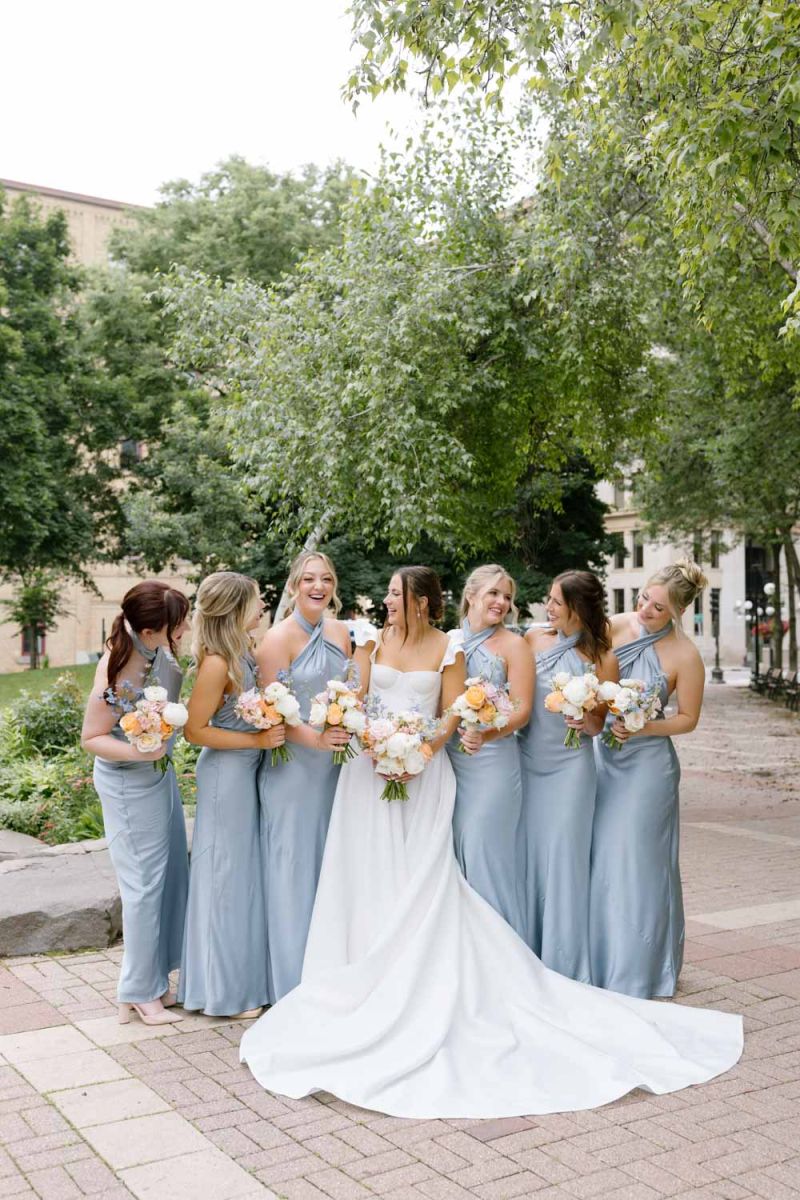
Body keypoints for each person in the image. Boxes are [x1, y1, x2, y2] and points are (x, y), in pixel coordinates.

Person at [240, 565, 742, 1120]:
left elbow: (456, 713)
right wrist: (376, 744)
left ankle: (537, 969)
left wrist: (420, 753)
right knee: (366, 872)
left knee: (455, 869)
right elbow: (356, 700)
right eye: (495, 594)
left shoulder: (459, 649)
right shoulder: (371, 641)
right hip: (370, 772)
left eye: (394, 595)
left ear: (424, 604)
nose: (385, 601)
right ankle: (360, 967)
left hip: (441, 768)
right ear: (470, 600)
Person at [590, 560, 708, 997]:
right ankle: (602, 958)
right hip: (606, 758)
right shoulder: (617, 625)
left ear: (677, 612)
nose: (645, 609)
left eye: (658, 607)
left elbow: (688, 719)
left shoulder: (686, 656)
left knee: (638, 862)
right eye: (643, 597)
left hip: (649, 769)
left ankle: (641, 967)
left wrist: (645, 726)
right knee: (603, 854)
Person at [81, 580, 190, 1026]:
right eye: (176, 625)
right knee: (143, 887)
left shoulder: (154, 653)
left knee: (168, 878)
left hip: (157, 779)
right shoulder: (120, 667)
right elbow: (92, 737)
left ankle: (156, 978)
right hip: (128, 784)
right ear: (150, 632)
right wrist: (139, 751)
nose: (183, 630)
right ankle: (136, 991)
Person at [256, 551, 360, 1002]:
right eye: (310, 579)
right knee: (294, 873)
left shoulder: (341, 632)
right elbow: (271, 708)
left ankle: (331, 977)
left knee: (332, 870)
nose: (319, 586)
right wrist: (314, 740)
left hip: (338, 768)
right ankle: (291, 988)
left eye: (327, 579)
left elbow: (354, 690)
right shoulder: (276, 640)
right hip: (295, 771)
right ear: (295, 584)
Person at [180, 572, 284, 1019]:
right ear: (237, 608)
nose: (262, 607)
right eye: (257, 600)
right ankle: (223, 992)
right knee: (224, 879)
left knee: (240, 879)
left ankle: (240, 980)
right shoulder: (218, 663)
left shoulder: (246, 653)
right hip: (226, 777)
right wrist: (257, 742)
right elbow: (193, 730)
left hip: (248, 774)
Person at [519, 571, 618, 980]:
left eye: (557, 601)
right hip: (527, 762)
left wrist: (584, 718)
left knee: (564, 856)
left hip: (571, 769)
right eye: (549, 598)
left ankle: (562, 962)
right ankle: (524, 952)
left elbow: (600, 726)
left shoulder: (603, 657)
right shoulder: (532, 639)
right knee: (528, 853)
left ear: (578, 608)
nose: (549, 607)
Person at [446, 564, 532, 939]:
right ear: (471, 595)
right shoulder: (448, 640)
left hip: (494, 763)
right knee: (451, 850)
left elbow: (522, 709)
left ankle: (500, 947)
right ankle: (463, 949)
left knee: (485, 849)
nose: (501, 602)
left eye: (507, 597)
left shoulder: (514, 644)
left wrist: (487, 732)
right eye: (494, 593)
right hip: (450, 762)